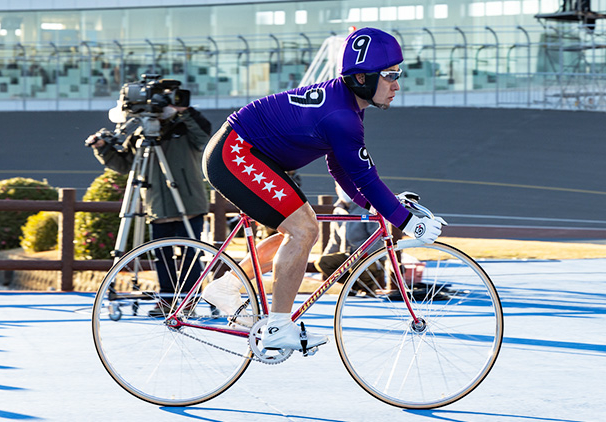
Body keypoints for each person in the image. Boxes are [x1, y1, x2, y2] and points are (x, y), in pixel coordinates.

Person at [200, 27, 443, 352]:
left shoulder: (349, 105)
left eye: (398, 74)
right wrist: (409, 222)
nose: (397, 84)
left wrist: (371, 206)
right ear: (362, 79)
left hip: (245, 152)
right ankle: (278, 326)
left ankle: (226, 286)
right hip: (235, 154)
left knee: (299, 228)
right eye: (389, 75)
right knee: (304, 229)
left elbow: (339, 166)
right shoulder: (342, 116)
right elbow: (366, 177)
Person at [87, 102, 212, 314]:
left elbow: (203, 136)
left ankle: (188, 301)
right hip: (157, 205)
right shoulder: (139, 135)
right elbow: (125, 164)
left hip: (188, 202)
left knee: (190, 254)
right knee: (161, 256)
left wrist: (186, 111)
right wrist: (103, 149)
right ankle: (166, 300)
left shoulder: (184, 127)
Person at [314, 183, 383, 295]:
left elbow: (379, 239)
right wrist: (326, 255)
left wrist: (366, 253)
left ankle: (369, 288)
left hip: (367, 256)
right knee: (323, 262)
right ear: (337, 190)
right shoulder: (338, 211)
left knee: (356, 262)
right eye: (342, 188)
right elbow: (334, 239)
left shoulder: (368, 209)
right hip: (347, 255)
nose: (344, 191)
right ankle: (353, 287)